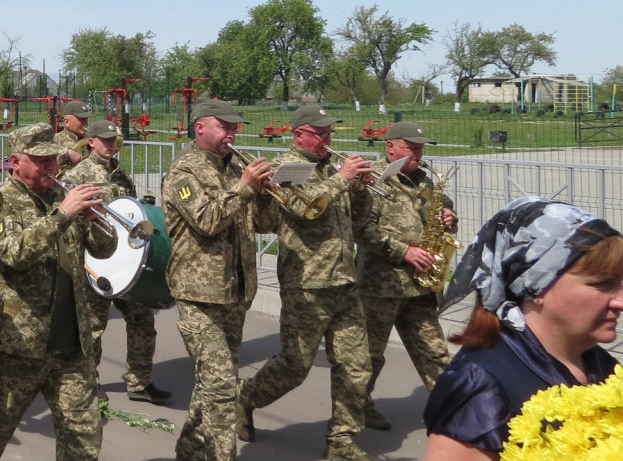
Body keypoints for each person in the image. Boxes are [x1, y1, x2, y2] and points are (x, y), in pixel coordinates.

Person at [0, 122, 116, 461]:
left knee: (84, 436)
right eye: (40, 160)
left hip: (72, 346)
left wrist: (98, 222)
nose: (50, 167)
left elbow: (103, 250)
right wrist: (62, 216)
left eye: (54, 160)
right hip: (18, 348)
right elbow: (14, 253)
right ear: (16, 161)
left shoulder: (63, 195)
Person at [423, 197, 622, 461]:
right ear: (535, 286)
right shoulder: (480, 386)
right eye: (602, 284)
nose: (620, 300)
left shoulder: (599, 361)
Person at [238, 105, 378, 461]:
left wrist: (362, 189)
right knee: (295, 365)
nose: (328, 140)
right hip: (307, 283)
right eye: (321, 134)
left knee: (356, 366)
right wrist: (344, 179)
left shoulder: (332, 168)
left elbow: (358, 219)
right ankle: (246, 398)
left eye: (330, 133)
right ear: (299, 134)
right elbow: (305, 209)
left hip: (344, 281)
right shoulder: (289, 169)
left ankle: (342, 440)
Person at [162, 100, 276, 461]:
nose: (232, 134)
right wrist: (244, 187)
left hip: (235, 291)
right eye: (224, 126)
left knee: (212, 386)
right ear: (200, 128)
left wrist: (265, 193)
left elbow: (263, 223)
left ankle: (189, 451)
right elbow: (207, 220)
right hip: (198, 294)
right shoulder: (184, 172)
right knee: (222, 387)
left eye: (235, 128)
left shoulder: (234, 168)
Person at [353, 121, 456, 430]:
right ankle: (359, 407)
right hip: (380, 285)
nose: (418, 154)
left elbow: (442, 209)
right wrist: (404, 252)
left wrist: (449, 217)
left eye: (421, 148)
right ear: (391, 147)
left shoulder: (425, 178)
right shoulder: (371, 178)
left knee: (434, 353)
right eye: (412, 148)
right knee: (369, 356)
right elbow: (360, 229)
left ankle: (453, 409)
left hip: (420, 284)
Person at [61, 117, 171, 405]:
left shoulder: (120, 174)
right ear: (92, 142)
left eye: (114, 141)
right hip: (95, 260)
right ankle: (89, 384)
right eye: (105, 140)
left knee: (143, 320)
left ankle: (139, 382)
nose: (110, 145)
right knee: (94, 327)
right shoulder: (79, 173)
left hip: (126, 262)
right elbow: (68, 214)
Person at [53, 100, 91, 170]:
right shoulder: (55, 140)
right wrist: (67, 154)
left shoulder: (90, 141)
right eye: (81, 119)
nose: (85, 123)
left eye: (86, 119)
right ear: (67, 122)